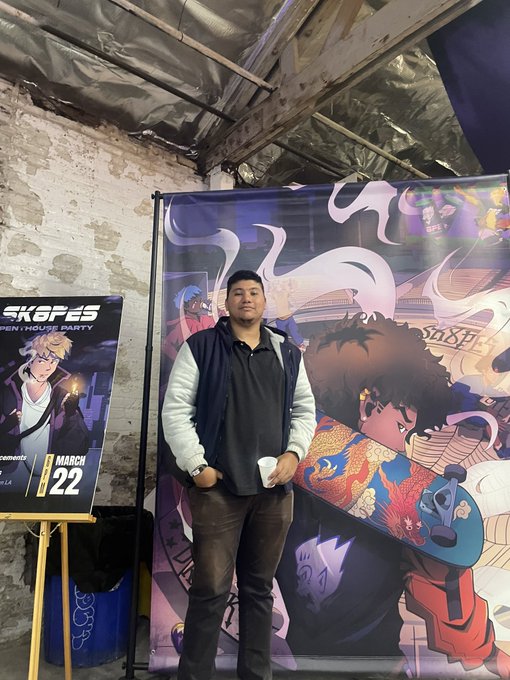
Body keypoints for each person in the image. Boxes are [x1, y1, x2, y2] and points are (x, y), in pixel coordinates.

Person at [277, 312, 510, 677]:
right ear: (368, 404)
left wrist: (488, 654)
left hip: (370, 667)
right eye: (402, 427)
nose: (403, 446)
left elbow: (446, 605)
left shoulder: (399, 504)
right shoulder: (288, 484)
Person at [161, 269, 316, 680]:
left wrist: (294, 453)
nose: (247, 298)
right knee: (210, 591)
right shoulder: (201, 347)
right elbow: (175, 410)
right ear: (226, 302)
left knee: (259, 590)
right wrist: (197, 466)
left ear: (264, 301)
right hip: (219, 492)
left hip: (273, 493)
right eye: (238, 293)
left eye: (254, 292)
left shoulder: (287, 352)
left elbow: (305, 410)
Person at [0, 331, 89, 485]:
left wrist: (71, 415)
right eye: (42, 361)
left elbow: (79, 447)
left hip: (48, 475)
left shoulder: (62, 396)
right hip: (12, 473)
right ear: (29, 360)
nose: (48, 368)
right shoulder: (7, 392)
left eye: (54, 362)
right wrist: (5, 426)